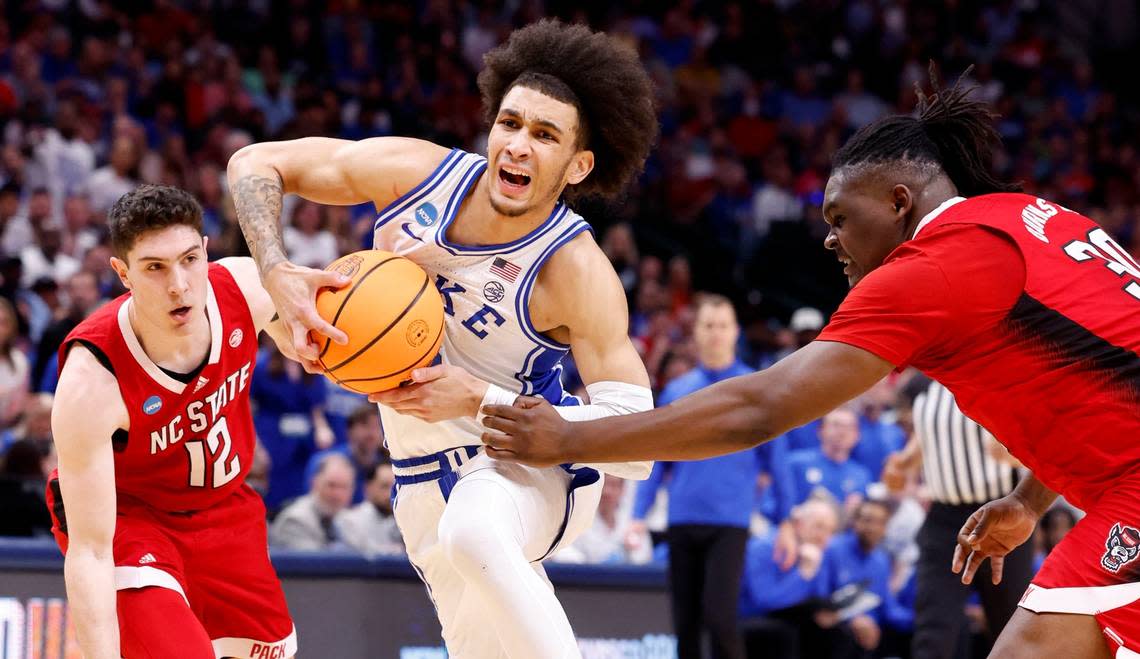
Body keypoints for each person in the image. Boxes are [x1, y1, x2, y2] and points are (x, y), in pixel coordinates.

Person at [480, 70, 1140, 658]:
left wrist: (572, 437)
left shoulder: (934, 267)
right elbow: (1099, 369)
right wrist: (1030, 499)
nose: (828, 238)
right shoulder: (1029, 216)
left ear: (899, 203)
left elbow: (759, 407)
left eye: (839, 216)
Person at [227, 19, 658, 658]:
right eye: (509, 124)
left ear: (578, 165)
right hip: (420, 477)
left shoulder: (575, 269)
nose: (517, 145)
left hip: (529, 466)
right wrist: (276, 274)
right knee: (227, 279)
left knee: (477, 528)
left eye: (544, 136)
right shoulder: (414, 174)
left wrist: (476, 398)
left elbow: (636, 444)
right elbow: (253, 161)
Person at [47, 185, 297, 659]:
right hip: (129, 517)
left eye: (188, 259)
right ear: (123, 273)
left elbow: (314, 346)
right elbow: (92, 552)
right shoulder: (92, 383)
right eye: (154, 268)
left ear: (207, 251)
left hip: (223, 508)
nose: (179, 284)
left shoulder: (247, 287)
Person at [630, 293, 795, 659]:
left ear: (735, 332)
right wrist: (638, 515)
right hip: (682, 519)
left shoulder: (756, 389)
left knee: (720, 618)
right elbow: (658, 458)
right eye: (708, 325)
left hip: (729, 522)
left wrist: (787, 521)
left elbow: (777, 462)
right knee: (684, 625)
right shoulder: (678, 389)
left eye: (723, 325)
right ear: (696, 333)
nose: (716, 333)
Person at [883, 377, 1032, 658]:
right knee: (934, 627)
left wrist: (1011, 449)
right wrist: (902, 465)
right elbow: (927, 440)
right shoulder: (925, 387)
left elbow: (1021, 451)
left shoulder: (995, 380)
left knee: (1010, 627)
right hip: (943, 520)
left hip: (1000, 516)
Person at [270, 452, 356, 551]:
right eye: (331, 485)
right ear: (314, 484)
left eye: (344, 487)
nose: (337, 495)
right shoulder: (295, 520)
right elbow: (318, 565)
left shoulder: (348, 521)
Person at [336, 460, 404, 557]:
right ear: (368, 487)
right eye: (384, 486)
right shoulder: (349, 521)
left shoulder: (405, 521)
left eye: (396, 488)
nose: (391, 494)